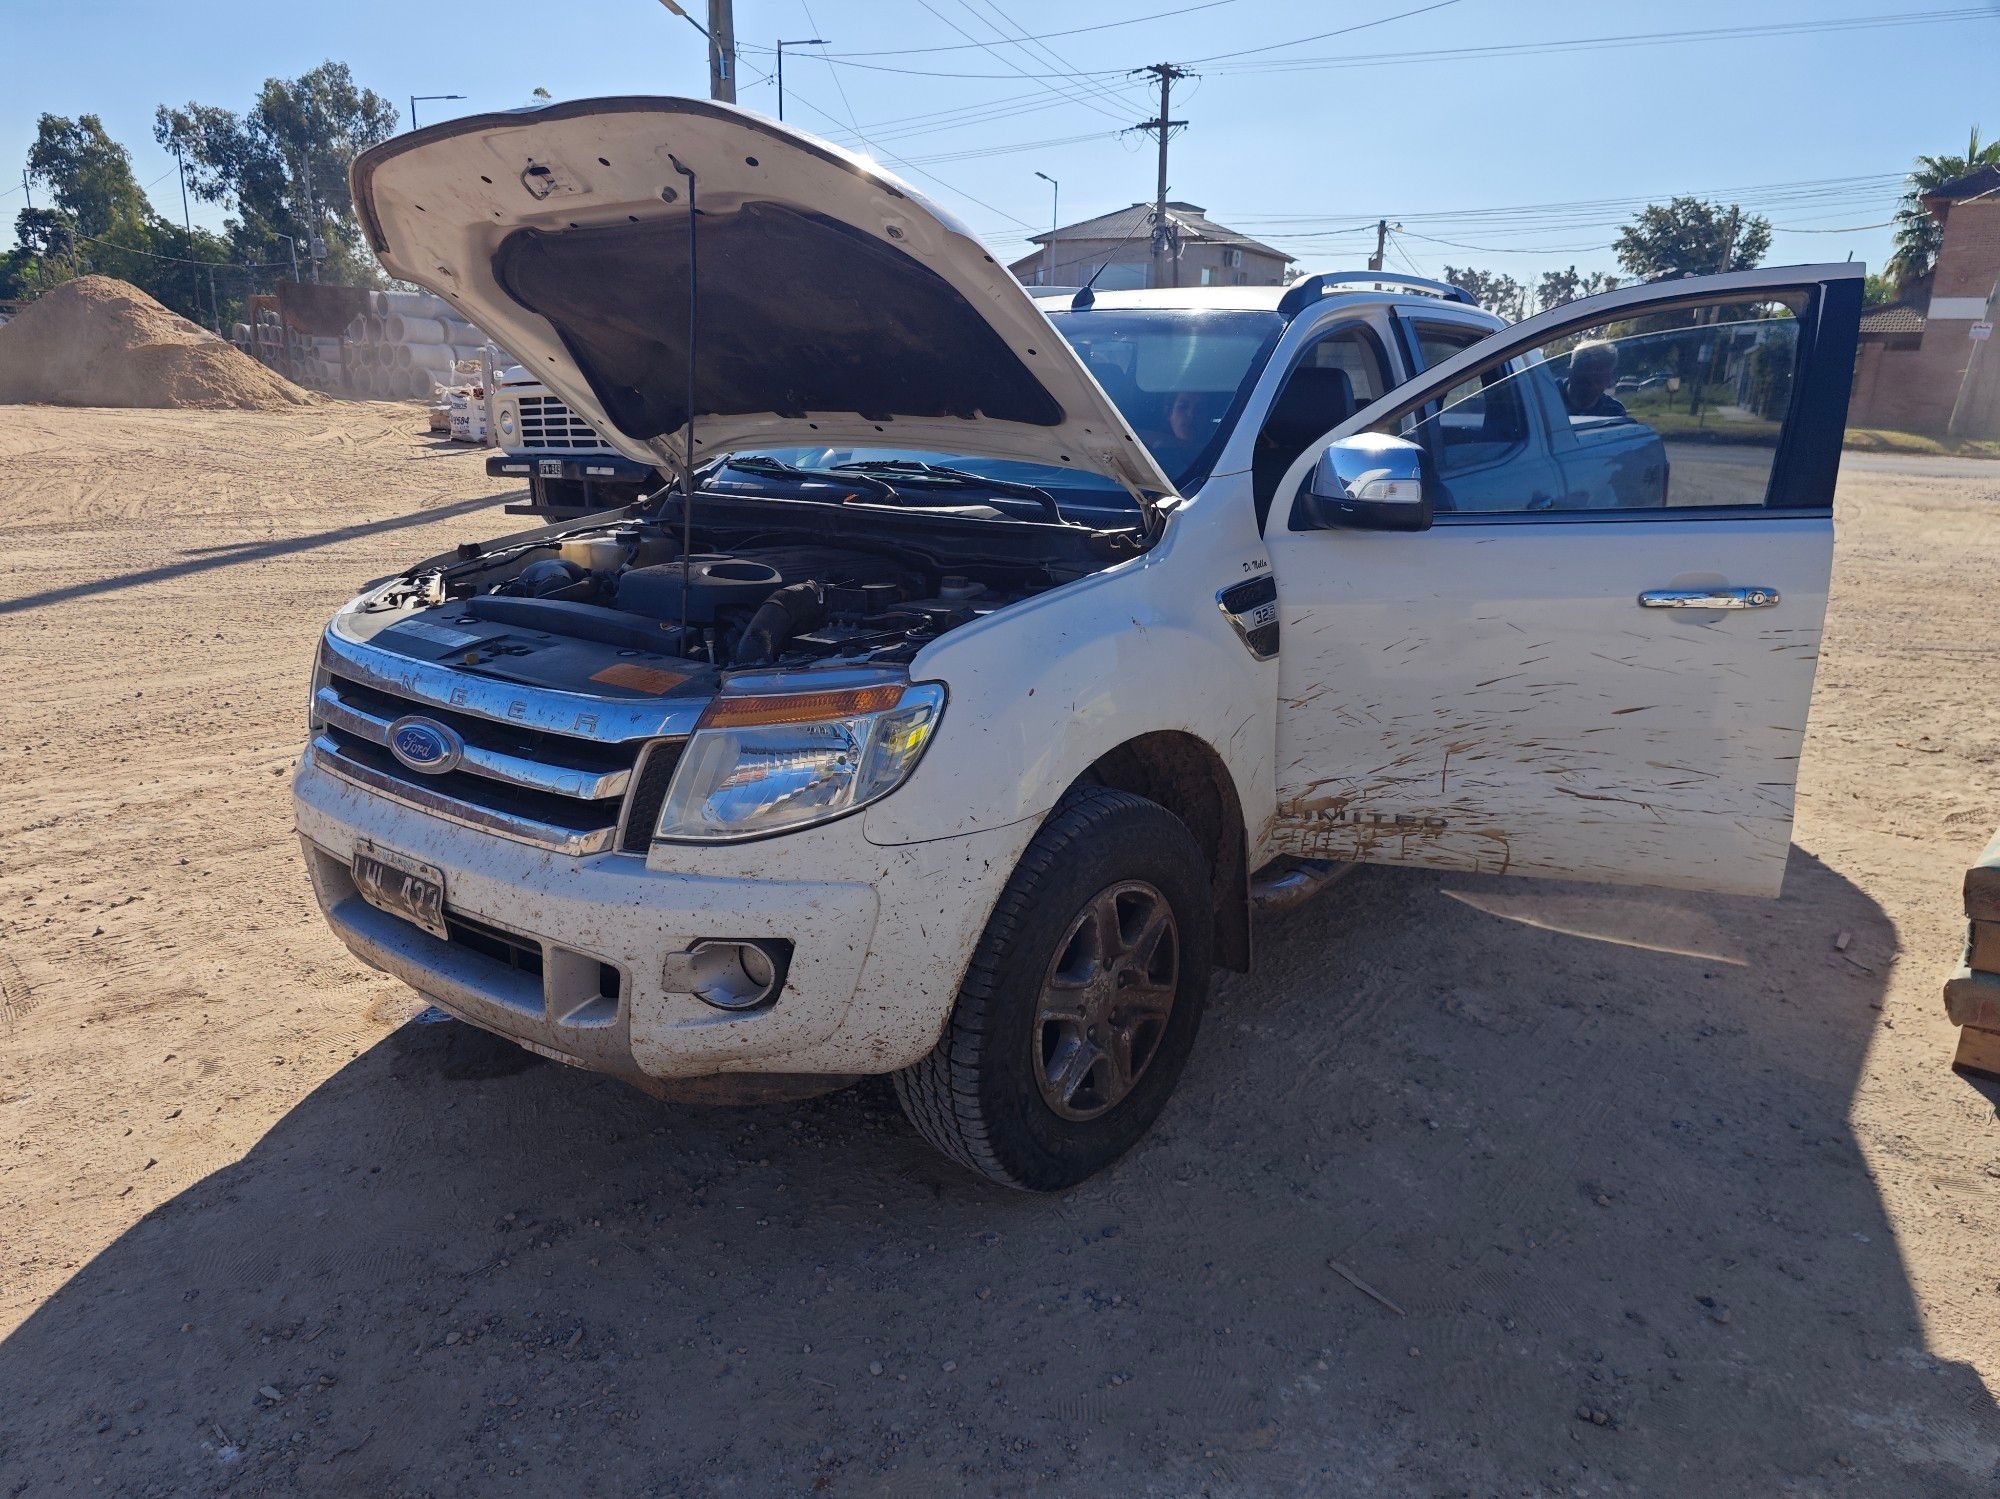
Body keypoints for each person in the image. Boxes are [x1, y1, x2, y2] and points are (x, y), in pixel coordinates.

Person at [1557, 339, 1627, 418]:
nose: (1591, 385)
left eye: (1598, 379)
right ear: (1570, 373)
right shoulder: (1547, 394)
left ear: (1608, 380)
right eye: (1584, 378)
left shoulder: (1614, 411)